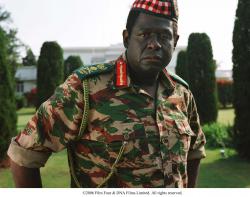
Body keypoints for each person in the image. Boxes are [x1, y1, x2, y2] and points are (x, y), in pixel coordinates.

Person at [8, 0, 206, 188]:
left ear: (175, 41)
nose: (154, 44)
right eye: (144, 34)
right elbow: (23, 154)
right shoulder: (86, 88)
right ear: (126, 38)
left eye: (164, 36)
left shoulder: (181, 93)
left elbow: (194, 152)